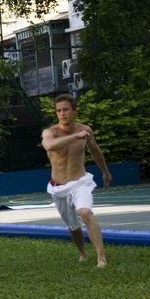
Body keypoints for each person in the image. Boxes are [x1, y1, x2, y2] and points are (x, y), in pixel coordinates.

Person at [41, 93, 112, 267]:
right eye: (59, 110)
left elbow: (95, 151)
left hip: (80, 182)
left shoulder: (85, 130)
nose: (62, 114)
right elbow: (49, 146)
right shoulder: (50, 133)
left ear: (74, 111)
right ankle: (82, 253)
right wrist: (75, 137)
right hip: (58, 187)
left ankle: (101, 258)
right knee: (73, 226)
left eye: (66, 109)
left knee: (85, 212)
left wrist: (105, 171)